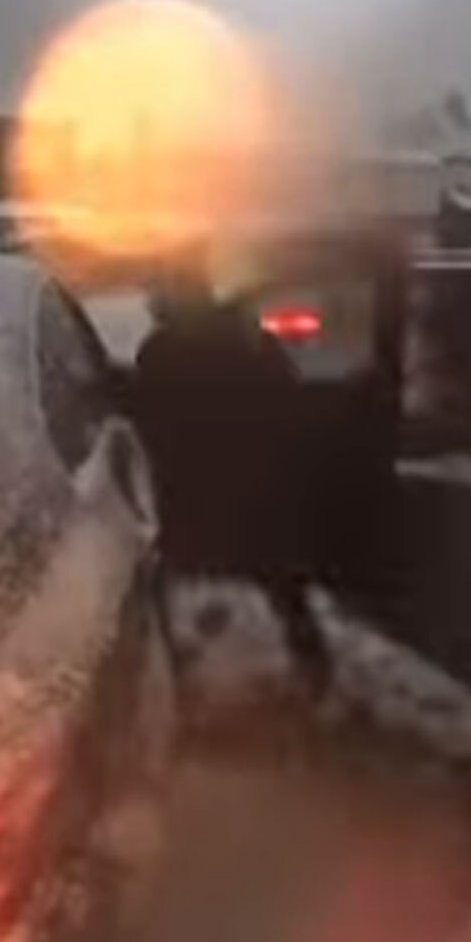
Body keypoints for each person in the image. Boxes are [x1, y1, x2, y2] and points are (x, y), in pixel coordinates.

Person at [130, 252, 333, 700]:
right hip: (252, 499)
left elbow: (146, 424)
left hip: (188, 500)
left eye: (157, 293)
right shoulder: (252, 343)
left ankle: (172, 685)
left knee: (147, 587)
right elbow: (289, 410)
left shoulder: (160, 354)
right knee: (283, 586)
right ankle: (316, 679)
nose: (151, 302)